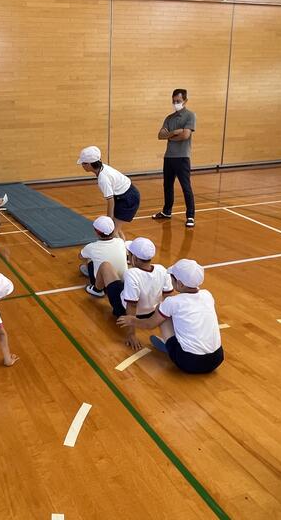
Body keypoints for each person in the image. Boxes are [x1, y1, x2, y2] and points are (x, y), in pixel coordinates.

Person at [118, 259, 223, 374]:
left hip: (190, 362)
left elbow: (150, 324)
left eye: (172, 278)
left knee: (162, 312)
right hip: (217, 358)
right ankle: (178, 343)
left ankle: (169, 344)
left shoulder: (173, 302)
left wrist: (132, 320)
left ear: (180, 284)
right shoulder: (207, 295)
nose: (171, 280)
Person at [87, 237, 172, 351]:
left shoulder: (131, 274)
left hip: (124, 311)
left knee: (105, 266)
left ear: (134, 258)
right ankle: (170, 339)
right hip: (152, 314)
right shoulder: (162, 269)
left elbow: (132, 305)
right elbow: (168, 299)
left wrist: (131, 334)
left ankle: (97, 289)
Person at [153, 89, 197, 228]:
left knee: (185, 187)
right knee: (167, 185)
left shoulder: (190, 116)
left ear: (185, 101)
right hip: (169, 157)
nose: (175, 103)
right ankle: (167, 211)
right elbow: (160, 135)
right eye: (174, 101)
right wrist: (174, 132)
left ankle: (190, 216)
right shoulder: (169, 118)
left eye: (178, 101)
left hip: (182, 157)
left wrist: (170, 136)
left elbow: (185, 135)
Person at [77, 146, 141, 240]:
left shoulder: (103, 179)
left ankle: (121, 248)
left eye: (83, 163)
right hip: (124, 195)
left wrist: (108, 220)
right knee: (116, 228)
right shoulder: (102, 168)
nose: (82, 165)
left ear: (89, 164)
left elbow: (110, 201)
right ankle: (123, 247)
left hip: (127, 199)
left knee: (112, 231)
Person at [78, 215, 127, 290]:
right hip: (122, 281)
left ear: (96, 232)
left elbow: (80, 256)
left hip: (102, 284)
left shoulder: (91, 247)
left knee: (89, 258)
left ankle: (97, 289)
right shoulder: (120, 241)